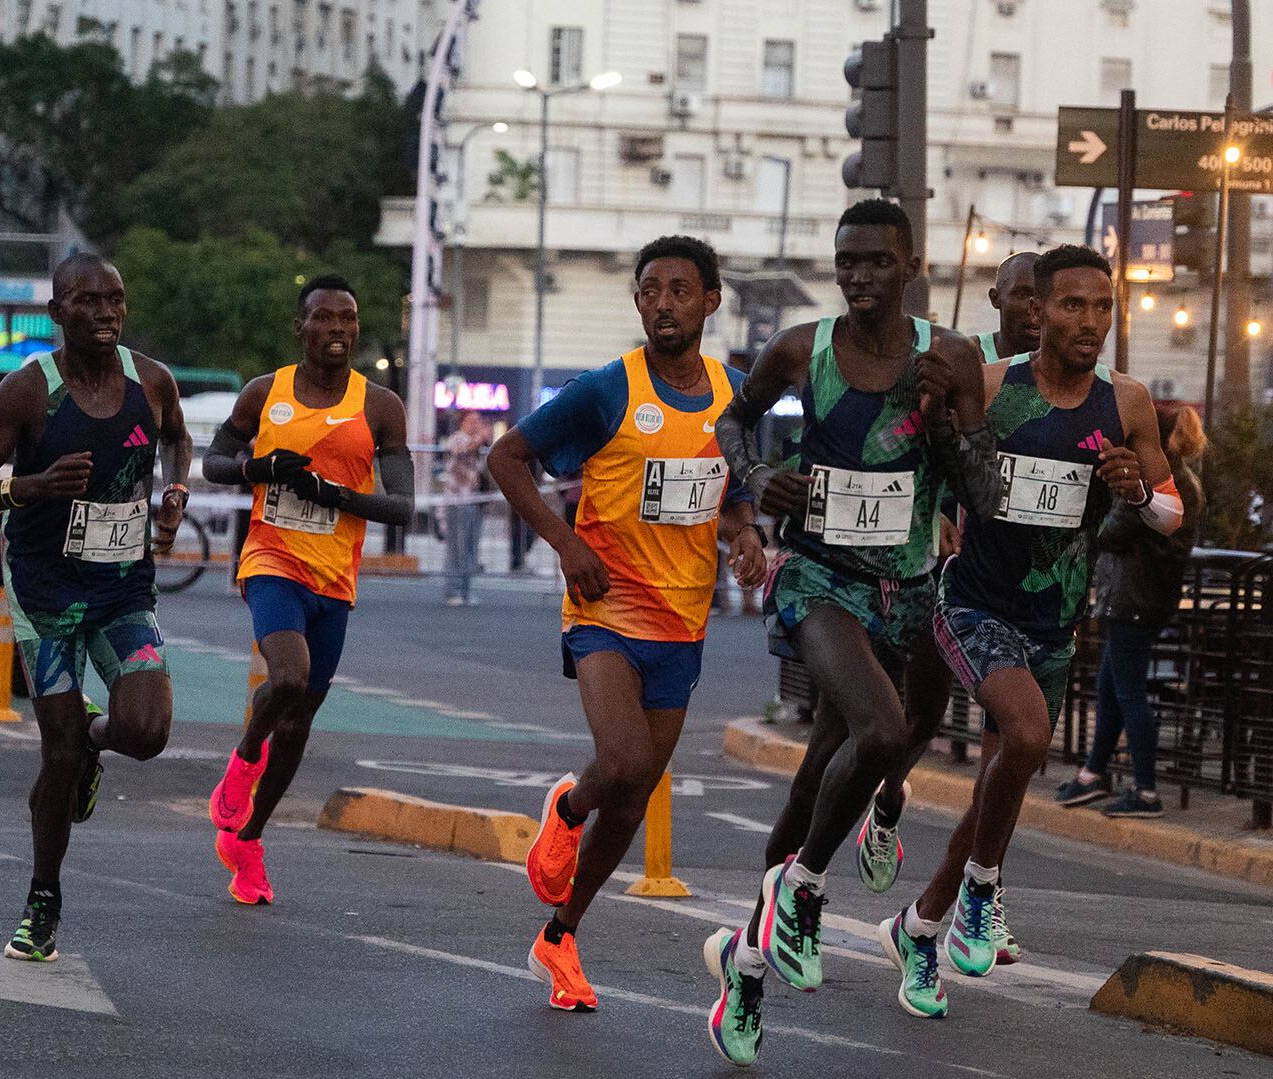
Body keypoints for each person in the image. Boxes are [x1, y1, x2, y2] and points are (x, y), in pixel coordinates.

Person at [708, 200, 994, 1055]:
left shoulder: (953, 355)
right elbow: (732, 417)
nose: (859, 276)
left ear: (909, 263)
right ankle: (802, 890)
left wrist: (945, 422)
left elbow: (976, 486)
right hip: (819, 578)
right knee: (880, 731)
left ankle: (746, 965)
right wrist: (761, 475)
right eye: (846, 262)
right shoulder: (803, 348)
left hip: (904, 588)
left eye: (875, 261)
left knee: (814, 784)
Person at [880, 245, 1182, 1019]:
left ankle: (921, 925)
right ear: (1037, 310)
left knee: (1002, 777)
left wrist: (1138, 490)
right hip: (975, 601)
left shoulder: (1129, 401)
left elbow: (1174, 512)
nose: (1090, 322)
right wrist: (932, 526)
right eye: (1073, 305)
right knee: (1027, 732)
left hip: (1056, 615)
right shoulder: (990, 386)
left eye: (1103, 307)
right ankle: (984, 885)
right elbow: (926, 464)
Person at [487, 235, 766, 1027]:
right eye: (650, 290)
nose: (663, 304)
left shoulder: (733, 394)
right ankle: (570, 810)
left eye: (681, 290)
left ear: (711, 301)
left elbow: (734, 484)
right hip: (606, 604)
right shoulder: (609, 388)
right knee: (624, 760)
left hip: (683, 618)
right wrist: (567, 544)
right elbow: (509, 458)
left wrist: (745, 535)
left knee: (636, 791)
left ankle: (560, 936)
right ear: (638, 302)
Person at [0, 253, 190, 962]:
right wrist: (32, 485)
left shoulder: (152, 381)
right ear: (57, 313)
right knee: (55, 757)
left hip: (123, 586)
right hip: (47, 592)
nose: (108, 312)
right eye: (89, 301)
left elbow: (177, 439)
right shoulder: (28, 393)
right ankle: (43, 897)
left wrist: (174, 495)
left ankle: (97, 738)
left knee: (146, 730)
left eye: (116, 299)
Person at [201, 274, 414, 904]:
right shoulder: (265, 392)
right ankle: (241, 764)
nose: (339, 330)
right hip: (271, 559)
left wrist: (337, 496)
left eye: (348, 319)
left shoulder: (379, 406)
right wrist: (255, 468)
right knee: (287, 679)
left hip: (336, 576)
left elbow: (402, 506)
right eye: (325, 318)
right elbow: (216, 461)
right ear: (302, 326)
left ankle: (250, 841)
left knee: (297, 723)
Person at [1057, 404, 1207, 818]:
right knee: (1111, 686)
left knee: (1128, 693)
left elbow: (1110, 532)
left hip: (1133, 599)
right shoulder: (1185, 482)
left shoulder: (1157, 484)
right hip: (1145, 598)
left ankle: (1145, 791)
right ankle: (1093, 774)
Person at [440, 410, 492, 605]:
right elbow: (461, 451)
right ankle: (453, 589)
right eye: (471, 420)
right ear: (462, 422)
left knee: (471, 546)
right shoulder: (457, 438)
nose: (475, 424)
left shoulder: (481, 445)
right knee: (457, 546)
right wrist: (479, 438)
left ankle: (466, 589)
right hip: (457, 499)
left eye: (478, 421)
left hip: (476, 499)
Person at [975, 252, 1041, 364]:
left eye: (1043, 295)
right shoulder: (969, 355)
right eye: (1022, 295)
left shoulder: (1071, 361)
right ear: (995, 298)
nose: (1034, 308)